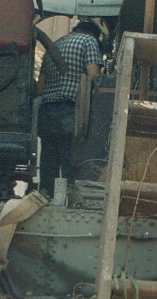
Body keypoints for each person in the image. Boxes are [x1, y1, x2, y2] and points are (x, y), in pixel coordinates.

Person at [36, 20, 103, 195]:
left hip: (47, 110)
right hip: (70, 111)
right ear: (93, 34)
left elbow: (39, 87)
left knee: (48, 161)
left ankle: (45, 196)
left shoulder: (55, 44)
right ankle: (68, 198)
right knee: (71, 160)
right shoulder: (89, 41)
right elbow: (94, 78)